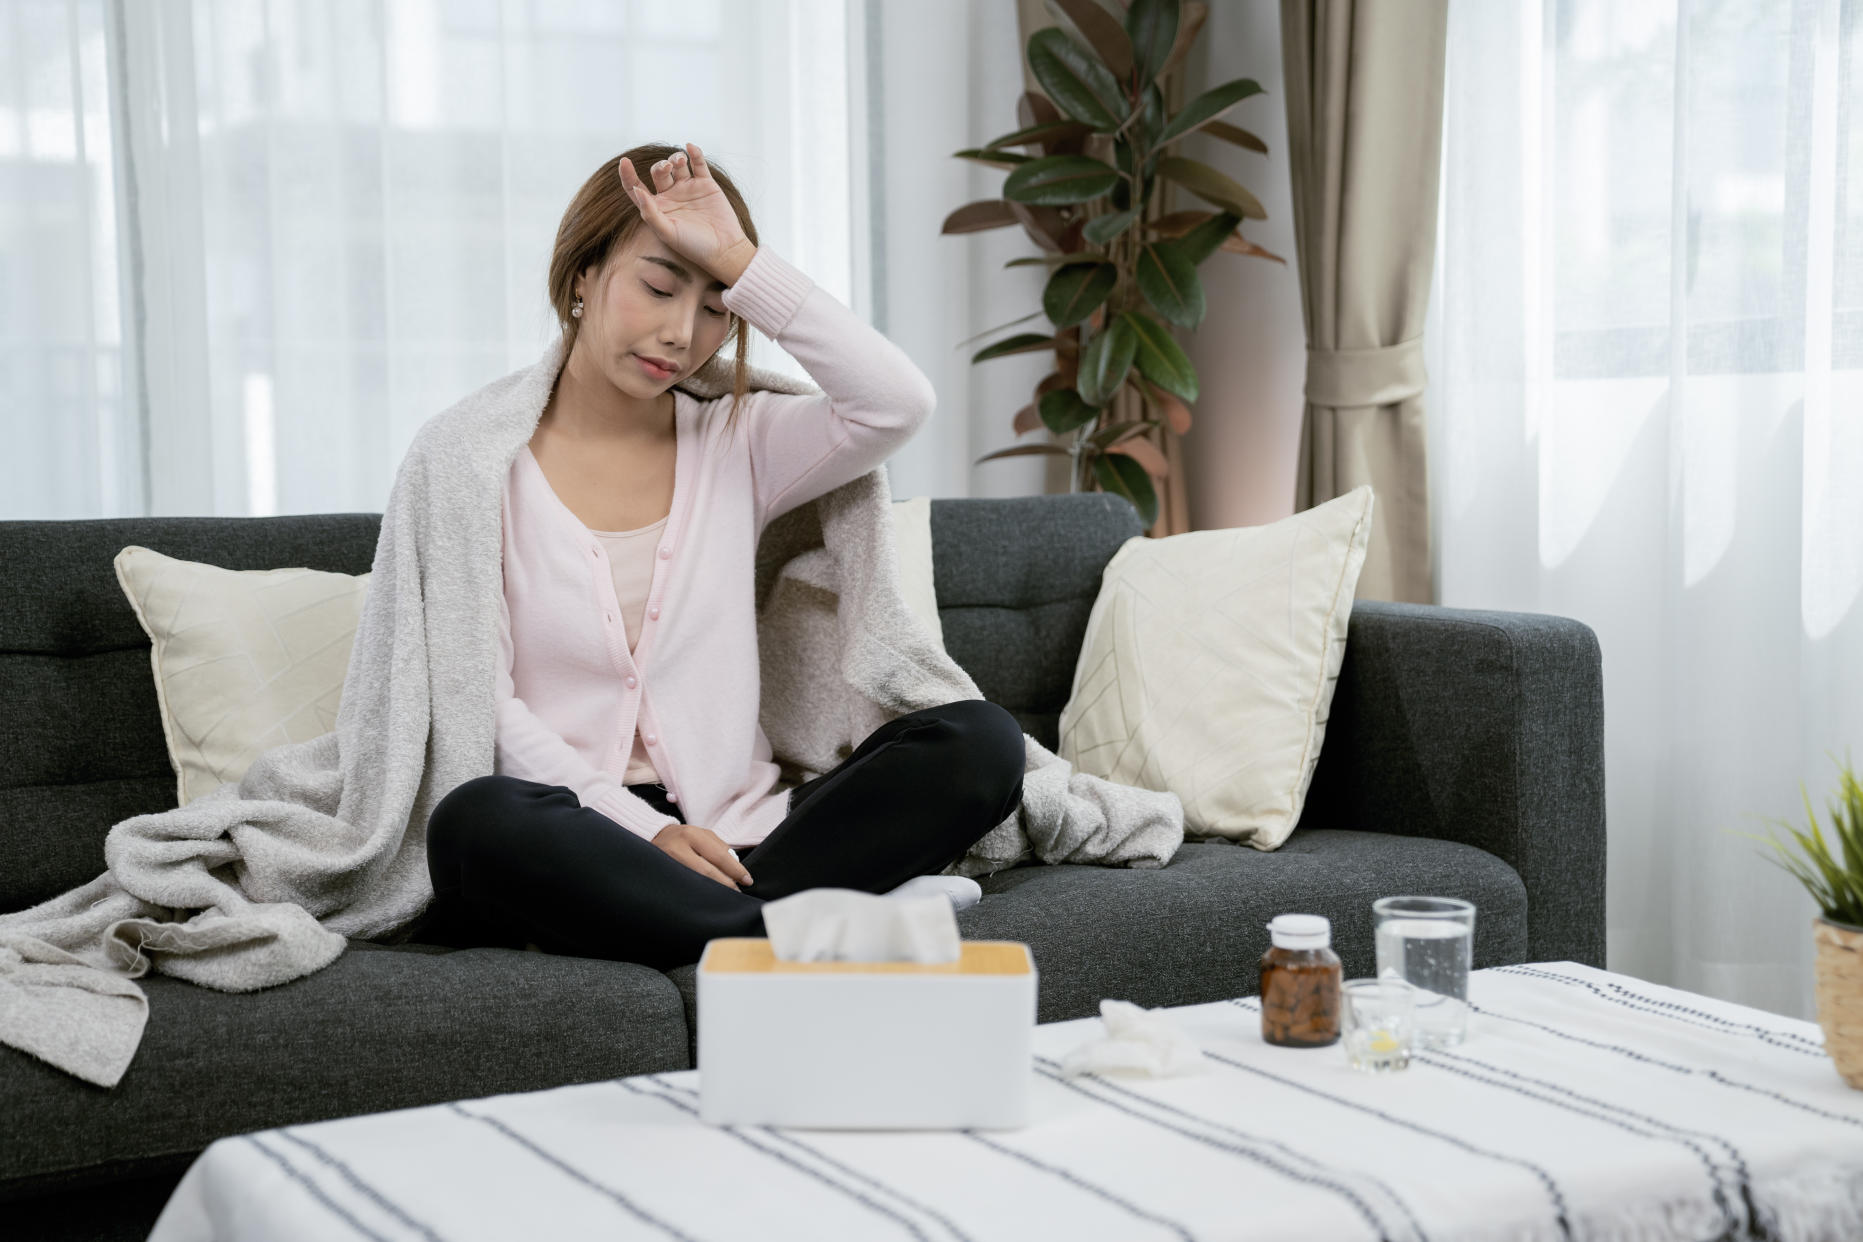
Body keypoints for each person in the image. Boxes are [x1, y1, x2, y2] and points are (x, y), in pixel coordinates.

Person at [416, 142, 1026, 971]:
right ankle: (813, 924)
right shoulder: (471, 463)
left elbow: (895, 402)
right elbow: (480, 708)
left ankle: (722, 928)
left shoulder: (738, 443)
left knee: (980, 741)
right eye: (659, 287)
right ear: (584, 275)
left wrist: (742, 262)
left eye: (715, 308)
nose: (681, 332)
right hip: (573, 831)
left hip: (748, 838)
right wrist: (648, 832)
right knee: (474, 823)